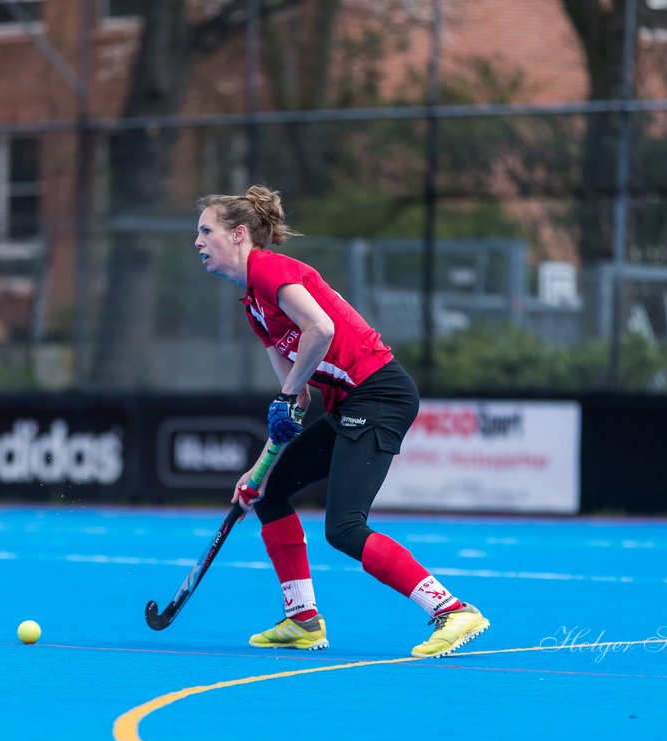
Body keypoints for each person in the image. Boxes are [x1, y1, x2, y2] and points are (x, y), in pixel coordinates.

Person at [193, 184, 490, 658]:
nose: (198, 241)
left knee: (345, 527)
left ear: (240, 235)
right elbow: (299, 393)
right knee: (270, 492)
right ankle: (302, 620)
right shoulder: (253, 305)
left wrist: (286, 396)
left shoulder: (270, 270)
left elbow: (321, 330)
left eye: (206, 231)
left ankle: (451, 611)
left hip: (379, 395)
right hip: (350, 404)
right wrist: (259, 468)